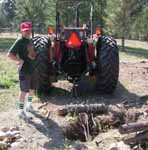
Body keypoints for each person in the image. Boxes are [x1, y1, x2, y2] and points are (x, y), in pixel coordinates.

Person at [7, 22, 38, 120]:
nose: (28, 32)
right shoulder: (19, 41)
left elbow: (33, 53)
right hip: (24, 71)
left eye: (29, 30)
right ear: (22, 31)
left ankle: (29, 106)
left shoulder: (30, 41)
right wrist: (19, 60)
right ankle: (20, 111)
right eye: (25, 31)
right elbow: (10, 54)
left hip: (33, 69)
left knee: (32, 89)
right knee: (24, 91)